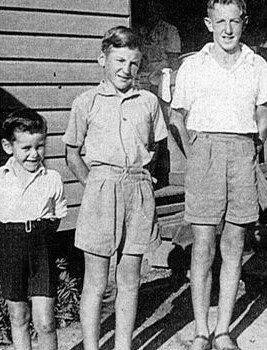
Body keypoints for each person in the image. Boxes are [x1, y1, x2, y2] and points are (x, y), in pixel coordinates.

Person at [170, 1, 267, 350]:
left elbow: (264, 116)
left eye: (234, 21)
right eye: (220, 22)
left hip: (242, 152)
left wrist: (251, 150)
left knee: (234, 244)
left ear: (243, 22)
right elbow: (176, 118)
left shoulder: (256, 64)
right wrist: (196, 153)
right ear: (208, 23)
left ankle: (223, 331)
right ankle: (201, 330)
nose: (227, 29)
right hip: (204, 152)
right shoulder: (193, 66)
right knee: (202, 245)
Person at [62, 26, 168, 350]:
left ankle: (124, 345)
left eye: (134, 63)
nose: (126, 69)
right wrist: (93, 184)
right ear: (102, 59)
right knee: (95, 281)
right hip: (100, 190)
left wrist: (148, 184)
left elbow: (160, 151)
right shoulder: (86, 102)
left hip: (137, 189)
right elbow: (71, 153)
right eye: (119, 60)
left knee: (130, 278)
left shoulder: (149, 102)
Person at [0, 109, 68, 350]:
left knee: (46, 322)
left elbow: (57, 217)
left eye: (39, 146)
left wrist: (37, 236)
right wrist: (14, 238)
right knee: (18, 317)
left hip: (42, 247)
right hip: (10, 246)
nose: (34, 154)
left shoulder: (52, 178)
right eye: (26, 148)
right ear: (8, 146)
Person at [133, 0, 182, 90]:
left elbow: (174, 62)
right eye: (147, 9)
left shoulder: (170, 30)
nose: (150, 12)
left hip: (160, 80)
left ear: (159, 11)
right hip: (139, 78)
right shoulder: (137, 31)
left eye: (154, 8)